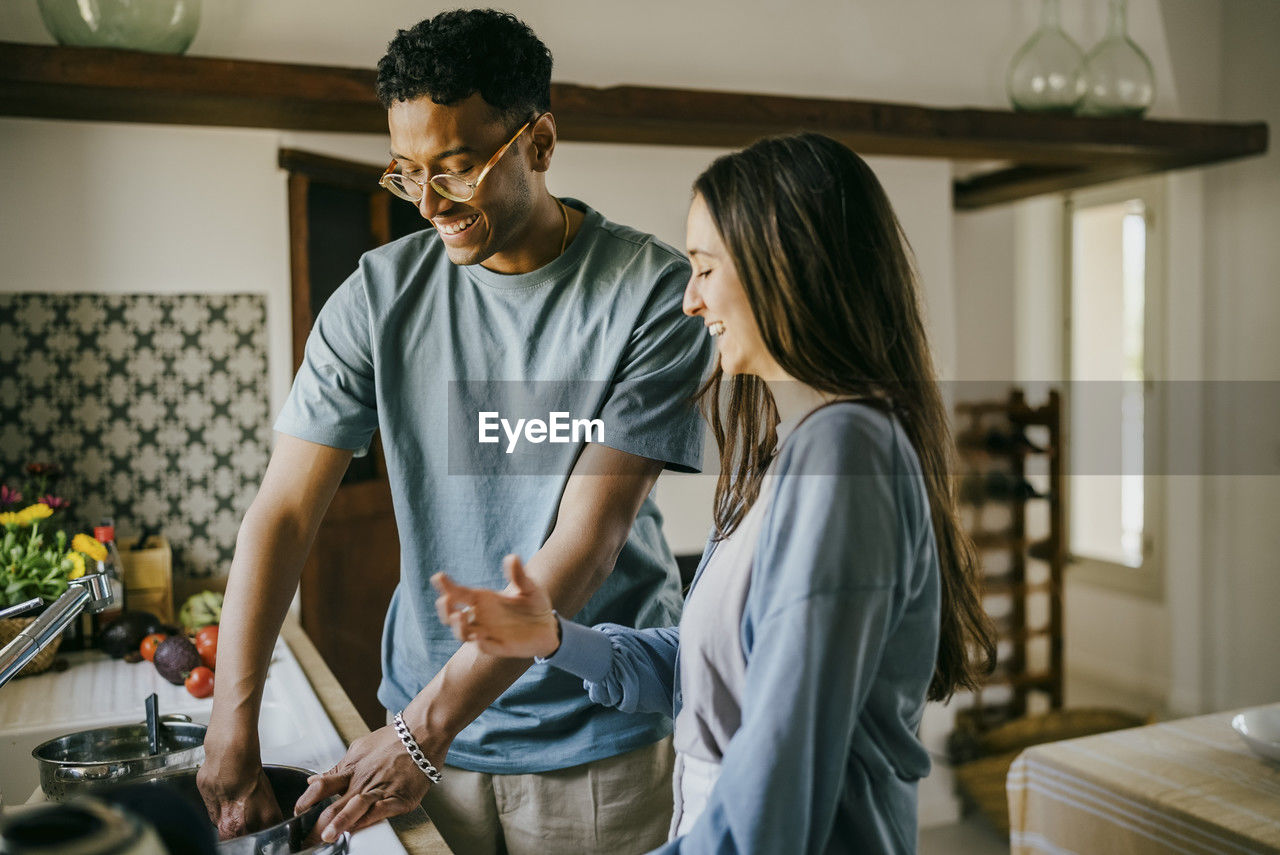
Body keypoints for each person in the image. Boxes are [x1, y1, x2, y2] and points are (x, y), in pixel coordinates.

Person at [197, 10, 712, 854]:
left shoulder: (654, 294)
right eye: (406, 174)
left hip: (597, 745)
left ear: (539, 143)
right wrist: (231, 716)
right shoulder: (375, 297)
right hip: (422, 729)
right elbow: (284, 511)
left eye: (458, 167)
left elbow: (585, 547)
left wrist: (421, 732)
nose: (429, 203)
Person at [433, 133, 999, 854]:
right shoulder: (798, 448)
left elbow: (776, 779)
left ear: (784, 268)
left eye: (703, 269)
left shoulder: (846, 456)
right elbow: (717, 668)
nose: (690, 301)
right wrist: (552, 638)